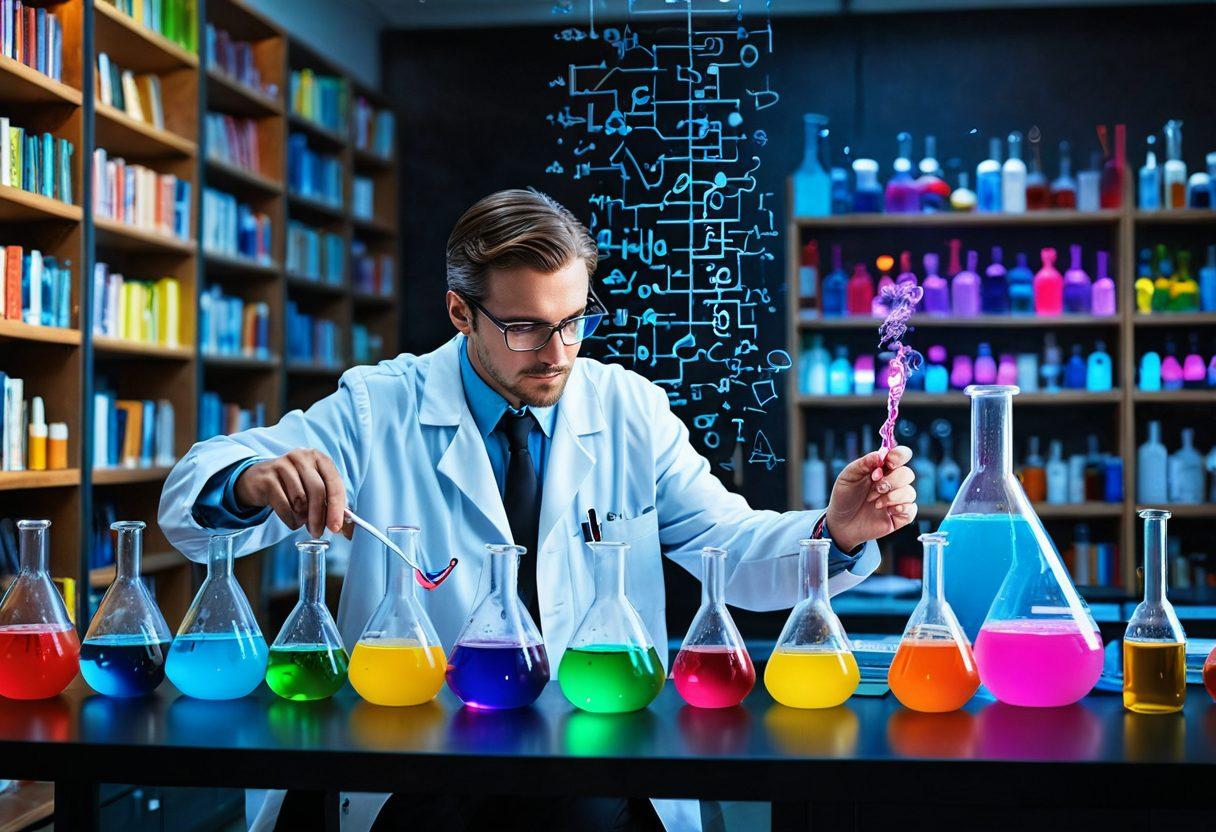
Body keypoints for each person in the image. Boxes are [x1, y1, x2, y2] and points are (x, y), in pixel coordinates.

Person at [159, 188, 918, 832]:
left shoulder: (628, 407)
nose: (556, 351)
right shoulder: (377, 404)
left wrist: (837, 530)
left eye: (573, 319)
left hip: (597, 761)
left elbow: (728, 543)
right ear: (460, 312)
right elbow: (191, 496)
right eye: (524, 327)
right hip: (423, 768)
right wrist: (255, 478)